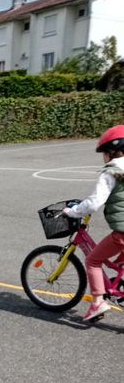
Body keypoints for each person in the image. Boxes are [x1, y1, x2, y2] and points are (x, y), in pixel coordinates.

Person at [63, 125, 124, 322]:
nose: (104, 157)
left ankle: (98, 302)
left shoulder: (112, 171)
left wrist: (72, 211)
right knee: (118, 262)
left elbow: (94, 203)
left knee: (93, 261)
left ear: (112, 151)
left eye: (104, 153)